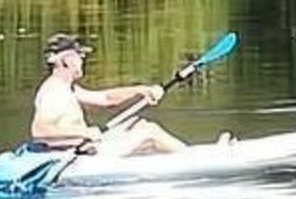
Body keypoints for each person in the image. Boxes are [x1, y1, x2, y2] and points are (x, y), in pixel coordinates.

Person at [30, 33, 187, 157]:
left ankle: (183, 157)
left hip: (84, 150)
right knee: (150, 132)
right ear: (67, 60)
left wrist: (142, 91)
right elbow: (40, 131)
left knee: (139, 125)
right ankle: (192, 159)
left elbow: (106, 99)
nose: (82, 61)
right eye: (79, 56)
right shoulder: (54, 91)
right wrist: (86, 132)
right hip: (74, 158)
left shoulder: (68, 89)